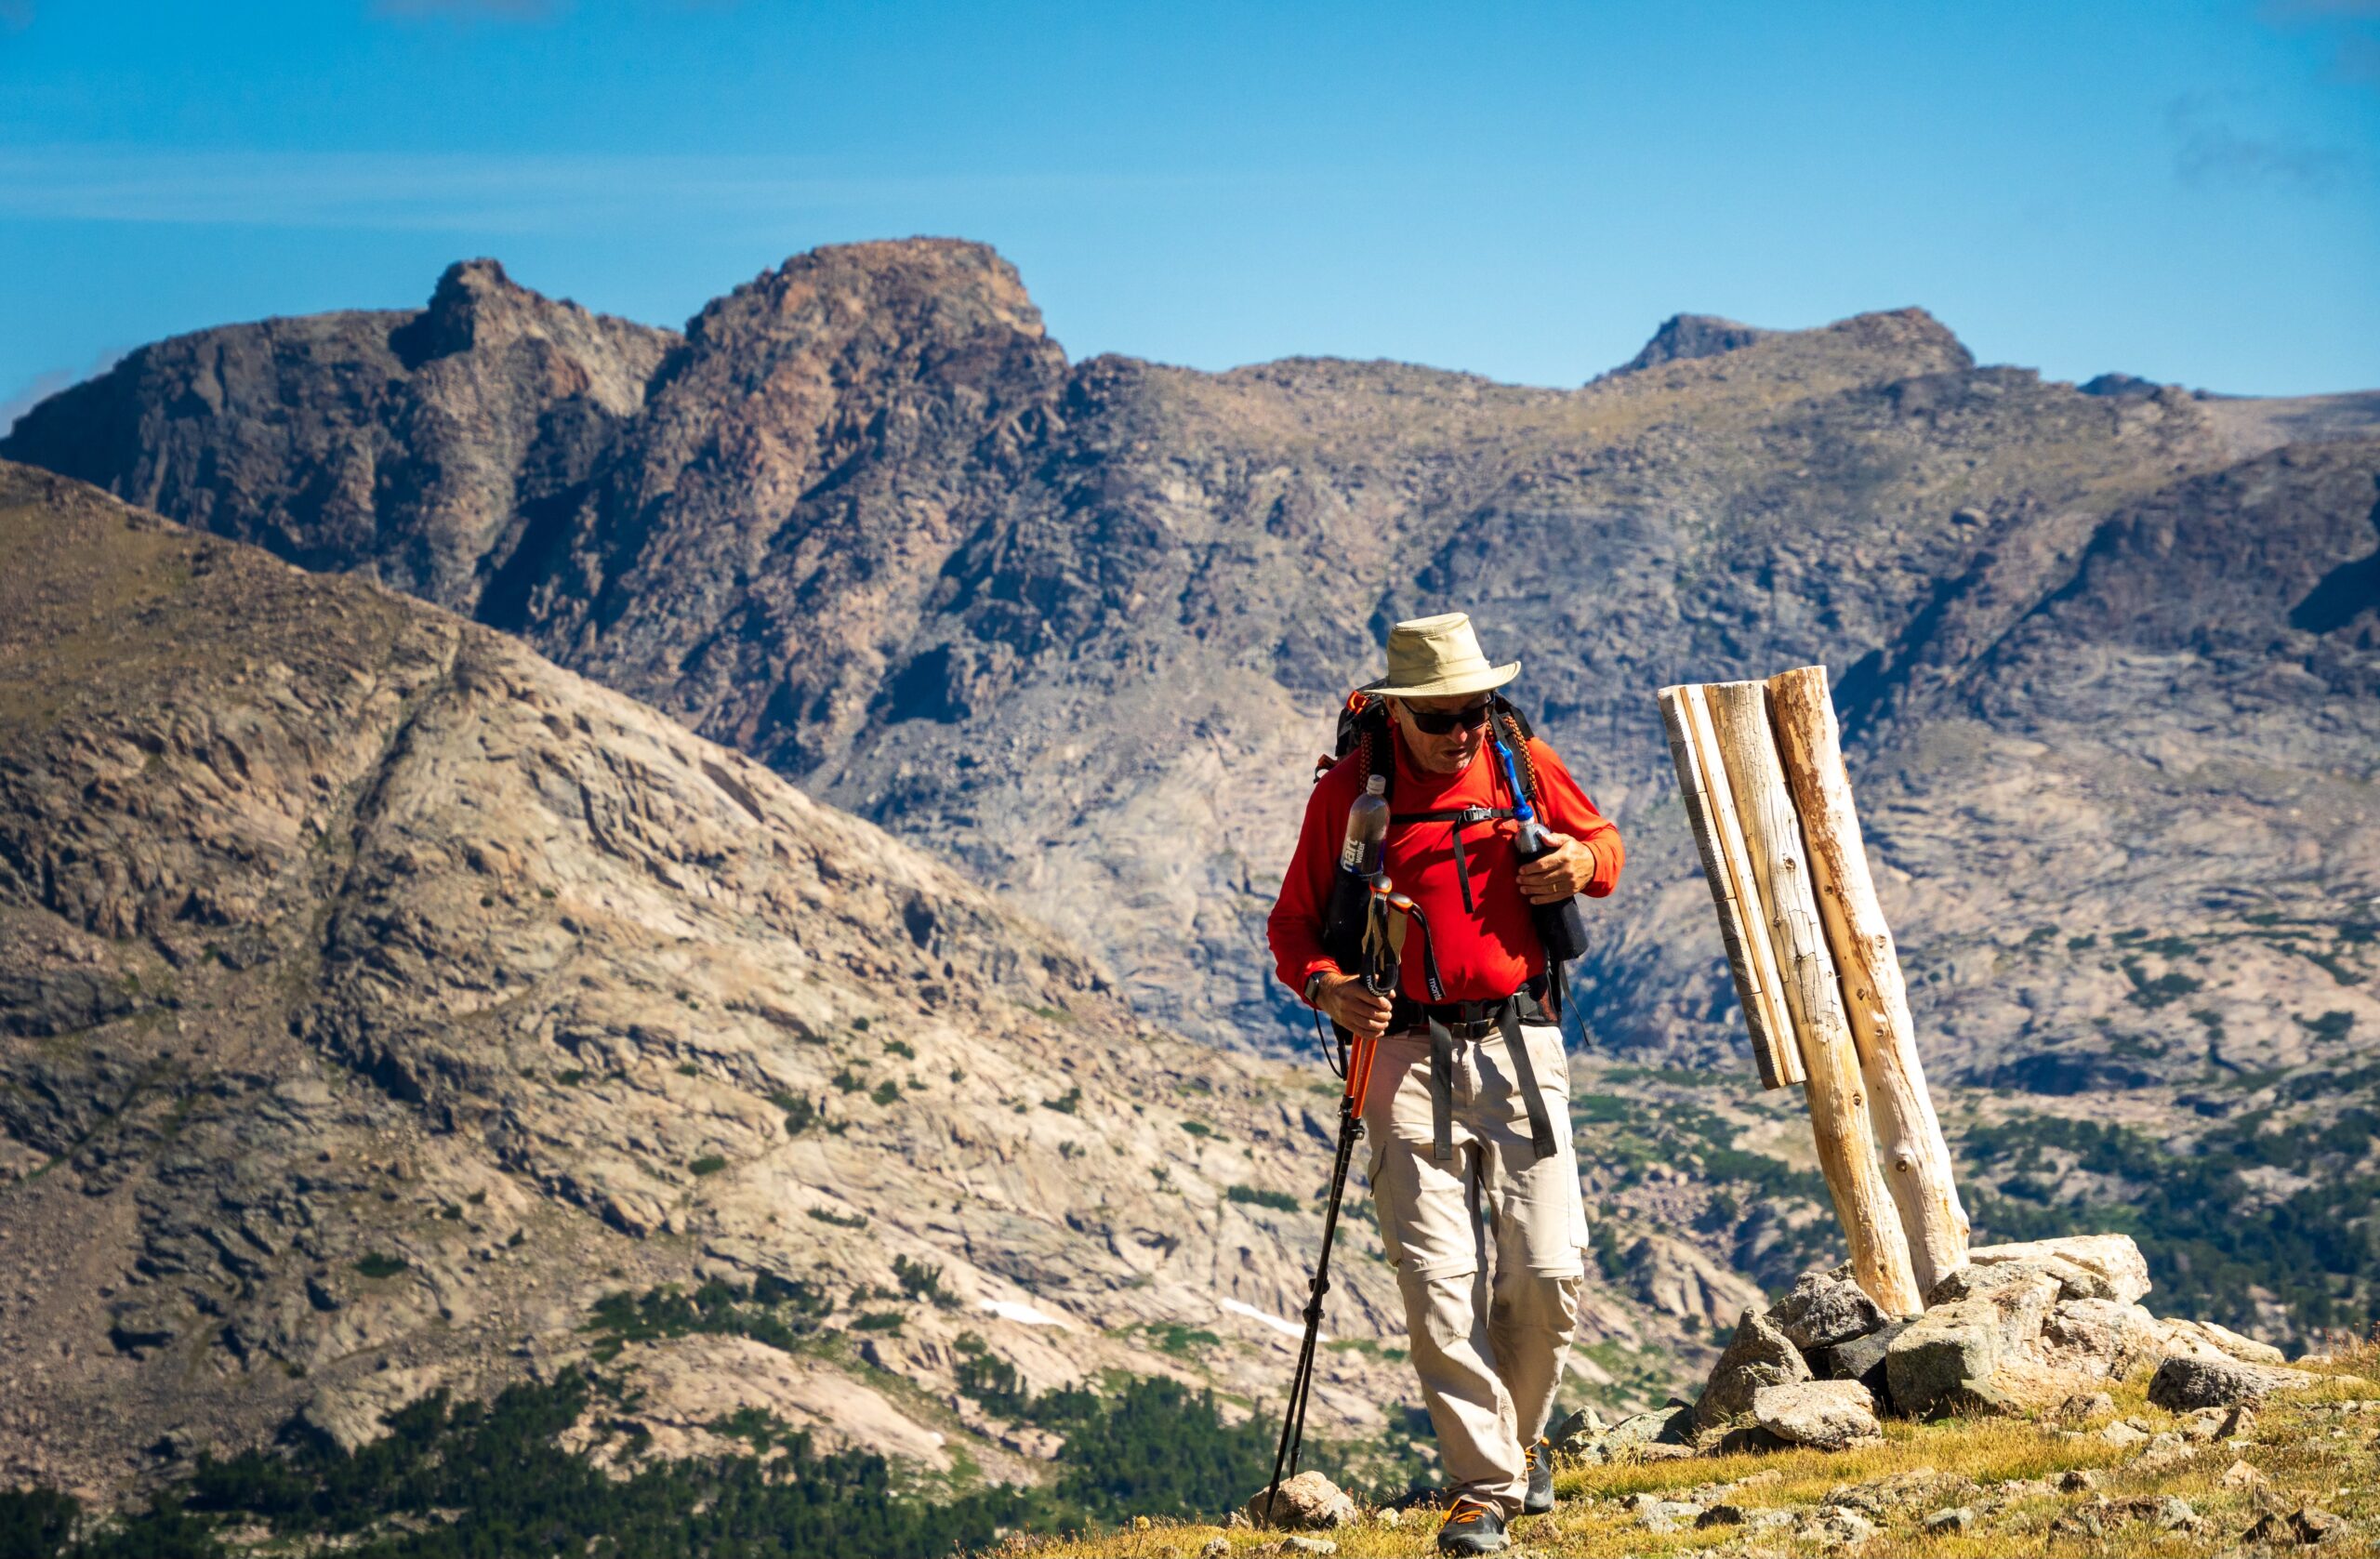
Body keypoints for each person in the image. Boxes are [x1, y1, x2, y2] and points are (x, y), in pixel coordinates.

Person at [1266, 613, 1623, 1555]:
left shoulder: (1517, 760)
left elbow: (1607, 852)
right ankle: (1486, 1489)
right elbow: (1292, 929)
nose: (1463, 729)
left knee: (1548, 1268)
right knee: (1437, 1282)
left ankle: (1519, 1437)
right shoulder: (1348, 794)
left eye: (1474, 710)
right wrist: (1328, 989)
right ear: (1399, 715)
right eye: (1443, 717)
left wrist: (1580, 863)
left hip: (1516, 1038)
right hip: (1397, 1050)